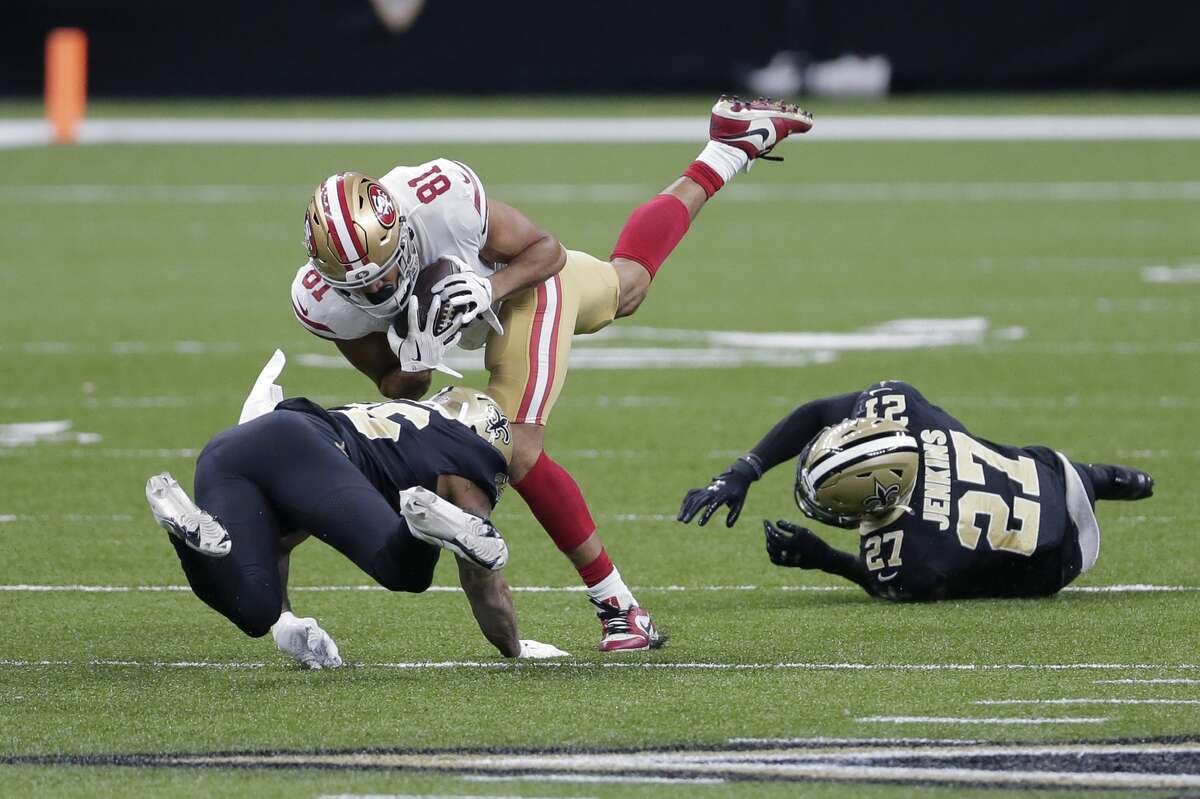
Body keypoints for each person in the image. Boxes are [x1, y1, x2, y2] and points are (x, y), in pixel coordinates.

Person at [291, 96, 813, 648]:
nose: (378, 291)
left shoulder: (438, 199)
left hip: (524, 289)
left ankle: (619, 608)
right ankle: (727, 147)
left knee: (514, 445)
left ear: (399, 229)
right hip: (487, 305)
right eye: (361, 287)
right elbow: (397, 385)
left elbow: (547, 252)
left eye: (383, 272)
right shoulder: (323, 302)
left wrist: (486, 289)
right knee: (626, 285)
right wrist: (415, 356)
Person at [145, 384, 565, 667]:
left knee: (255, 609)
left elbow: (282, 539)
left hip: (230, 450)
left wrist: (287, 622)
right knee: (406, 571)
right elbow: (482, 581)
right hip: (302, 443)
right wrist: (514, 648)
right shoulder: (467, 451)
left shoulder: (401, 422)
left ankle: (183, 525)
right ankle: (421, 519)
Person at [678, 380, 1155, 601]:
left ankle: (1096, 483)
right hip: (1050, 472)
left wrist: (821, 557)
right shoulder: (902, 405)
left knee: (978, 576)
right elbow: (821, 412)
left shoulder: (909, 554)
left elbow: (883, 583)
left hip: (1058, 558)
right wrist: (746, 470)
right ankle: (1100, 479)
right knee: (1016, 459)